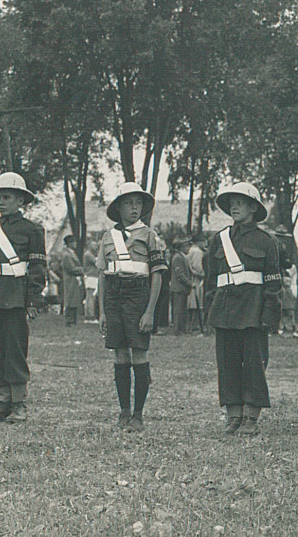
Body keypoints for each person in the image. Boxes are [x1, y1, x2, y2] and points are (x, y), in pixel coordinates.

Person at [205, 182, 281, 436]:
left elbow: (273, 283)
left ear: (252, 207)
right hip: (224, 309)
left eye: (240, 202)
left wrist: (269, 315)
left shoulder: (266, 241)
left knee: (253, 363)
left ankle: (251, 415)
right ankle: (233, 414)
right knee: (226, 363)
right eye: (231, 203)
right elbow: (210, 279)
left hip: (253, 310)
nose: (235, 207)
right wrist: (210, 310)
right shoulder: (219, 239)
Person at [0, 172, 47, 422]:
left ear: (20, 201)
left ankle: (19, 403)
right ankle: (3, 402)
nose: (1, 203)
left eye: (6, 197)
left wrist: (33, 300)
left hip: (15, 297)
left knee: (15, 349)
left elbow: (37, 268)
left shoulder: (33, 230)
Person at [97, 182, 167, 432]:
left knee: (138, 351)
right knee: (119, 353)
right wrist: (102, 311)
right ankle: (123, 411)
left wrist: (150, 311)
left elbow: (157, 275)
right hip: (114, 294)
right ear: (118, 208)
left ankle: (138, 414)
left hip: (138, 293)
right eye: (128, 203)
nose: (134, 208)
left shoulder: (150, 236)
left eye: (138, 203)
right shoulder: (108, 237)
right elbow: (103, 275)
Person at [169, 237, 197, 336]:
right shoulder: (178, 257)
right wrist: (190, 283)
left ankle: (181, 329)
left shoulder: (182, 257)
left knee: (182, 310)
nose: (188, 248)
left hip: (182, 289)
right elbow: (180, 275)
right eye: (186, 246)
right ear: (181, 247)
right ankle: (177, 330)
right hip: (178, 288)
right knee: (178, 310)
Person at [273, 226, 297, 336]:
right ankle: (278, 327)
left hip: (272, 274)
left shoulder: (272, 245)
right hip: (279, 274)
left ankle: (275, 327)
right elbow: (287, 263)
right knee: (279, 301)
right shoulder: (281, 247)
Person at [58, 236, 84, 327]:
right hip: (70, 279)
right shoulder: (67, 255)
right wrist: (82, 270)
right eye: (74, 242)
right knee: (70, 299)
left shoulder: (70, 253)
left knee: (74, 299)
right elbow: (71, 268)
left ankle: (73, 320)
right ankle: (69, 320)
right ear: (69, 243)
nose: (75, 244)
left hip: (74, 279)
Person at [83, 236, 102, 323]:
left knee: (90, 297)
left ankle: (89, 316)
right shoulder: (88, 254)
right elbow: (98, 262)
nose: (96, 247)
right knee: (91, 297)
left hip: (91, 276)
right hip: (91, 276)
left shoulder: (89, 254)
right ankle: (90, 316)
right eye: (94, 245)